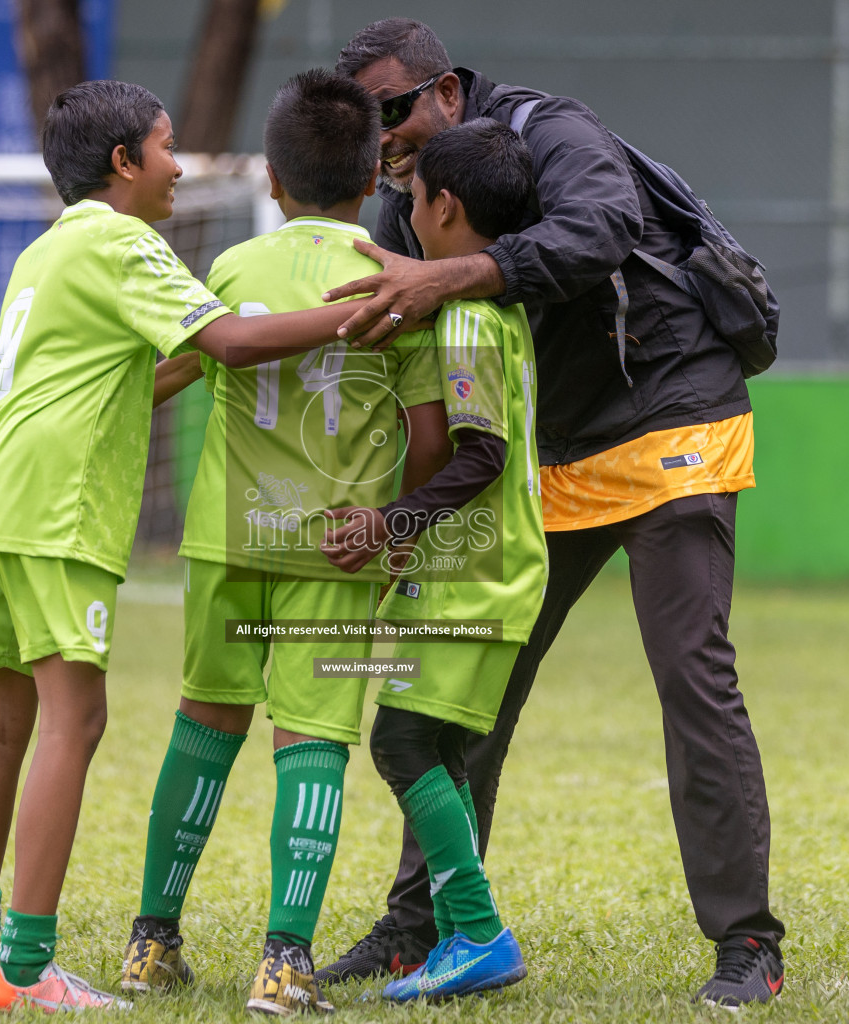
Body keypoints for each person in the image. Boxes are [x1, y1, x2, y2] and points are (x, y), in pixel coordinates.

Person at [317, 19, 787, 1009]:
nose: (384, 135)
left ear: (446, 92)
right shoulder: (405, 213)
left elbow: (602, 225)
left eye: (394, 110)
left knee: (692, 676)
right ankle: (422, 924)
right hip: (547, 451)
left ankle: (748, 940)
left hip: (672, 411)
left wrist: (451, 273)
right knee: (465, 686)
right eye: (367, 124)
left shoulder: (550, 130)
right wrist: (405, 518)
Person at [0, 78, 399, 1014]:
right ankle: (28, 970)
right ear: (123, 164)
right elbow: (226, 344)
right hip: (57, 512)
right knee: (76, 720)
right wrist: (365, 308)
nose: (180, 166)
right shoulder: (123, 239)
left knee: (1, 719)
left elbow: (147, 373)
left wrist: (213, 351)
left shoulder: (48, 250)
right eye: (166, 146)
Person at [115, 69, 447, 1018]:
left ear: (271, 178)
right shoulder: (395, 283)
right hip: (335, 550)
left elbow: (172, 372)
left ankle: (150, 944)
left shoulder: (233, 274)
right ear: (375, 175)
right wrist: (397, 535)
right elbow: (428, 440)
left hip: (226, 540)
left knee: (202, 728)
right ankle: (284, 964)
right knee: (314, 745)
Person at [321, 117, 543, 1004]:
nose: (404, 214)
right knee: (433, 747)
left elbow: (480, 454)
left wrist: (385, 525)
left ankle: (480, 932)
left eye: (411, 199)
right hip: (479, 572)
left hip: (477, 578)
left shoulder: (466, 320)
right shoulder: (497, 309)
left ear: (444, 207)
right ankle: (457, 934)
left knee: (402, 740)